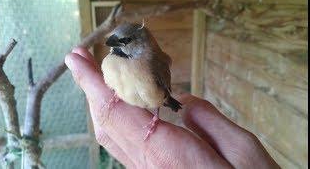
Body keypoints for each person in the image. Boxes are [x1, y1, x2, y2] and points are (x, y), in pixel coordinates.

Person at [65, 48, 280, 169]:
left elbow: (160, 93)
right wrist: (113, 97)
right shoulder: (112, 63)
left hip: (158, 99)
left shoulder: (149, 63)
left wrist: (154, 120)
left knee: (163, 101)